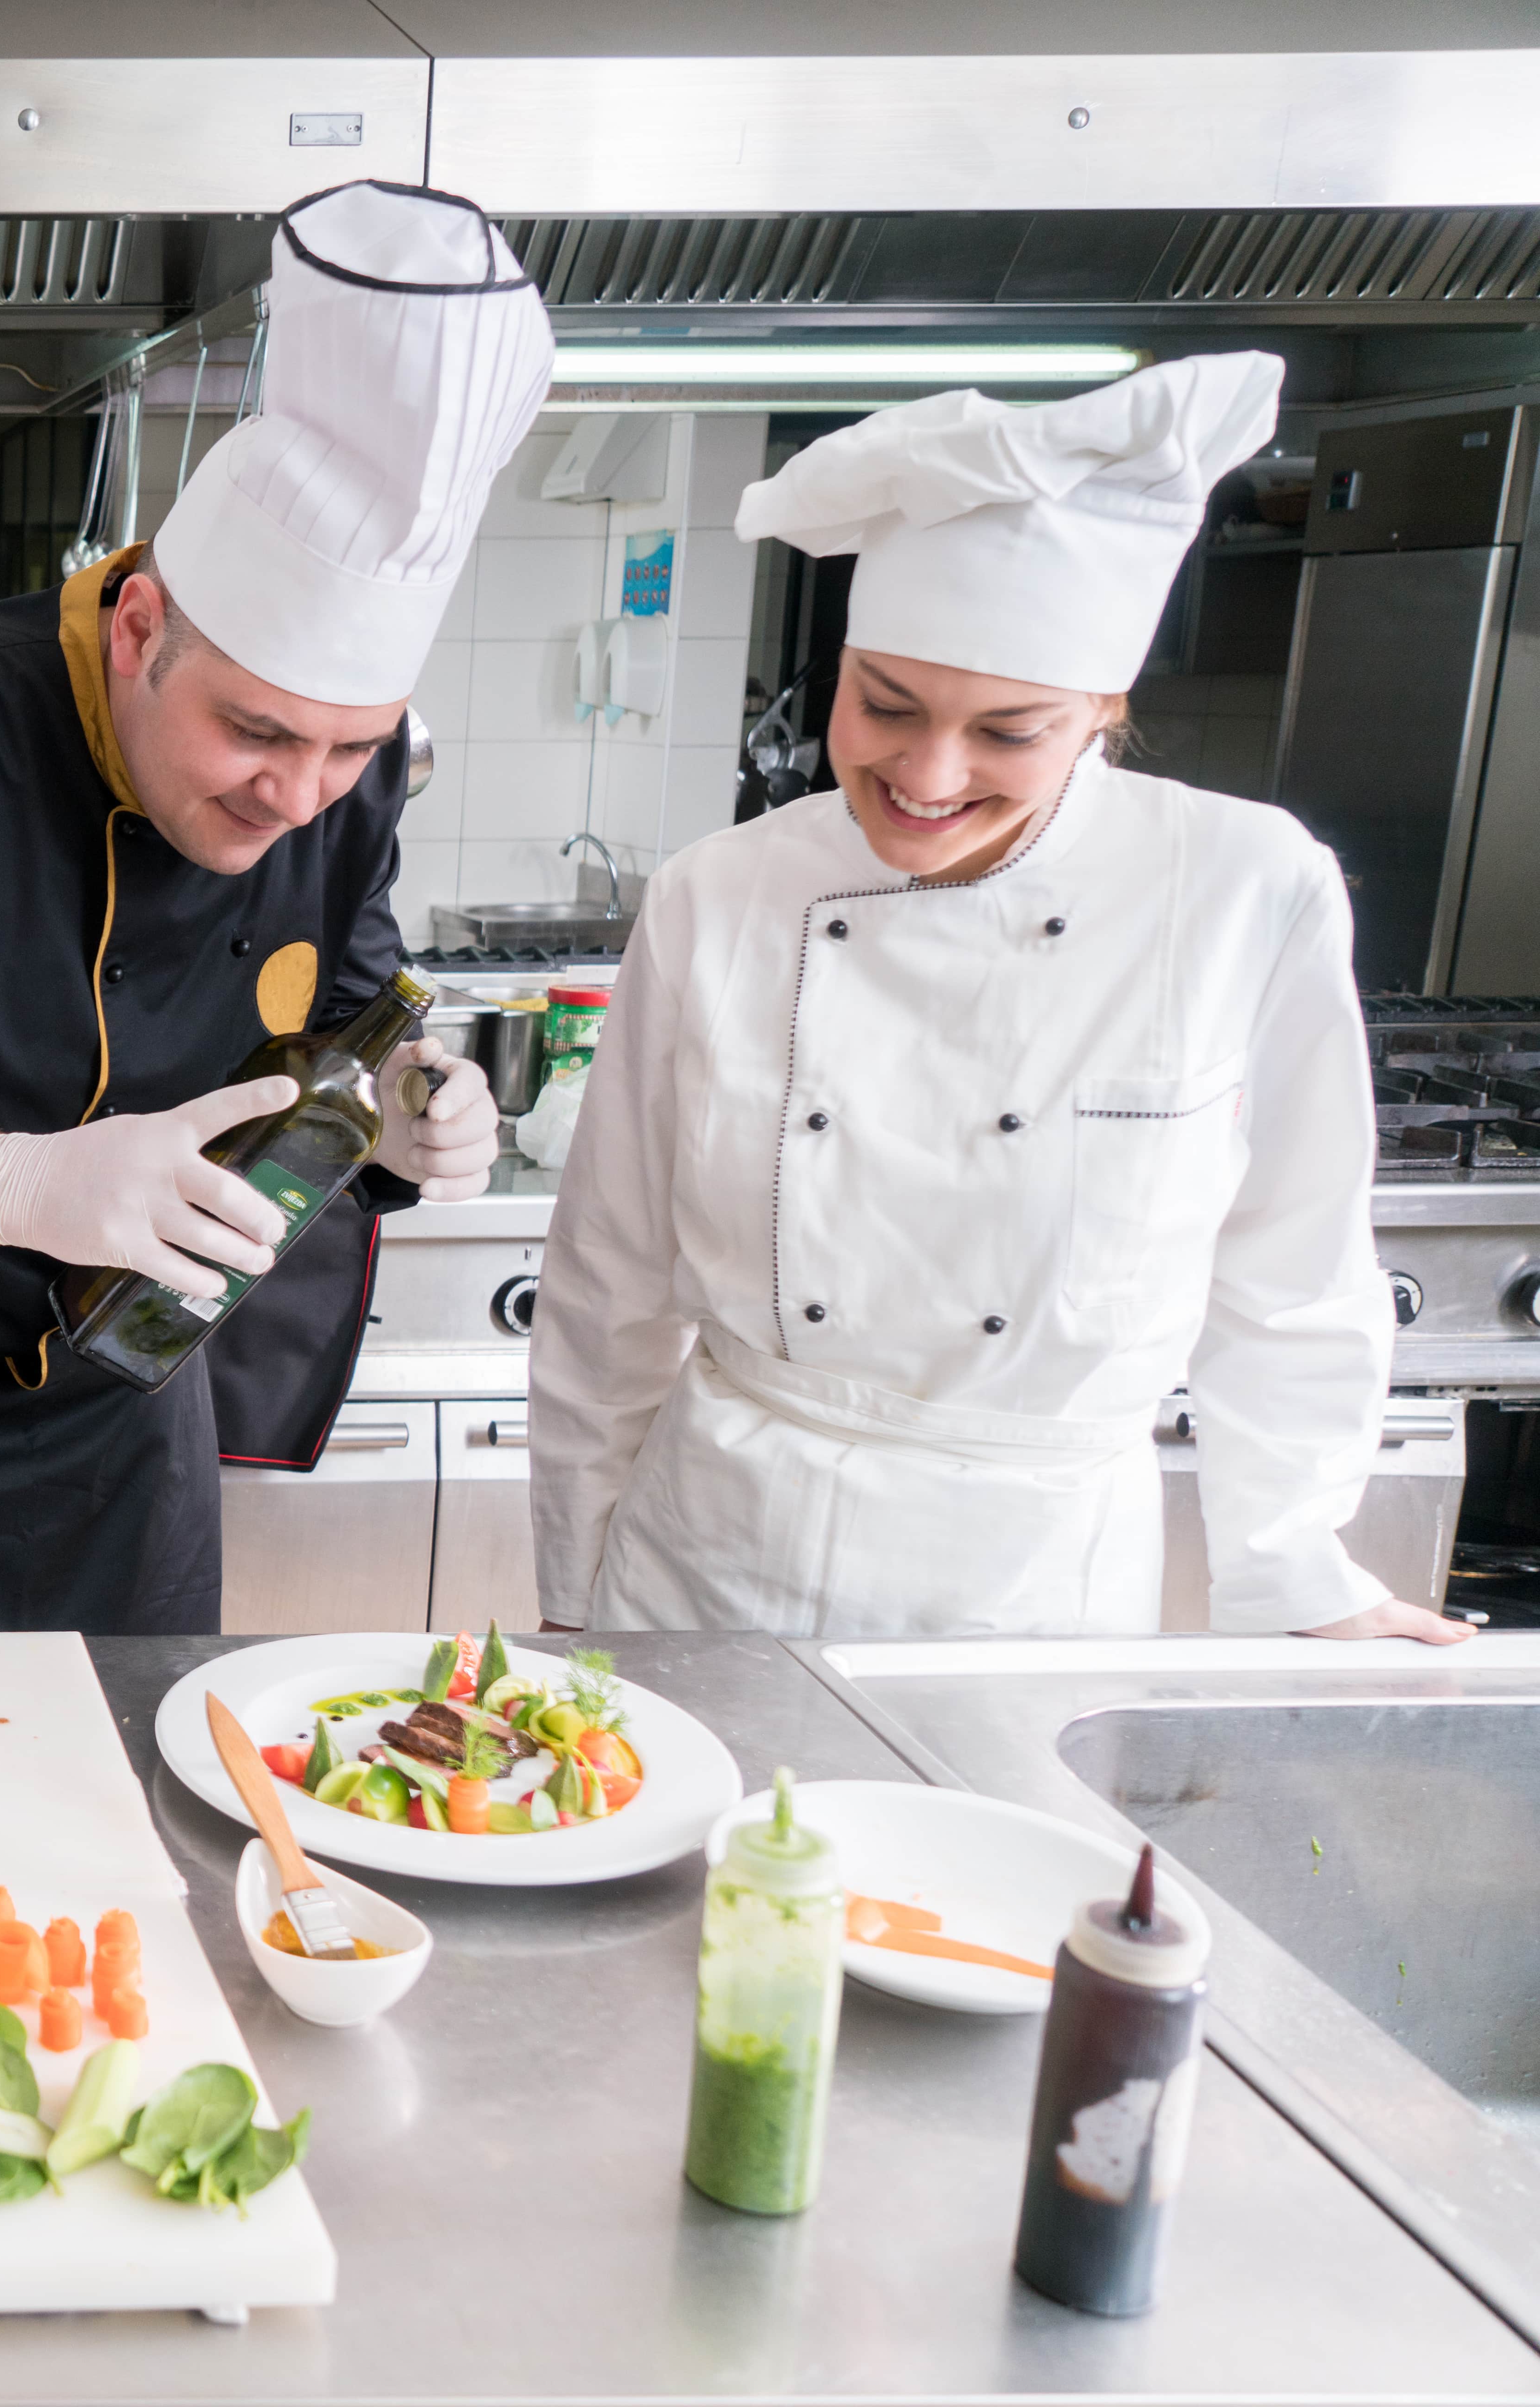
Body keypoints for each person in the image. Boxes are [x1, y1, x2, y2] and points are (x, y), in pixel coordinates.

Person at [0, 180, 535, 1641]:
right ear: (137, 629)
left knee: (120, 1826)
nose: (295, 796)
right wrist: (26, 1186)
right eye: (252, 732)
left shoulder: (337, 784)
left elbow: (339, 1026)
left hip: (124, 1429)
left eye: (349, 745)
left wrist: (397, 1102)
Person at [529, 352, 1464, 1644]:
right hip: (715, 1561)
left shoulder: (1246, 887)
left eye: (1009, 731)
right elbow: (609, 1283)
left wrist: (1299, 1578)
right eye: (885, 705)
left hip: (1034, 1591)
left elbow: (1291, 1270)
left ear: (1098, 713)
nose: (927, 772)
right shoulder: (722, 892)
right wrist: (575, 1596)